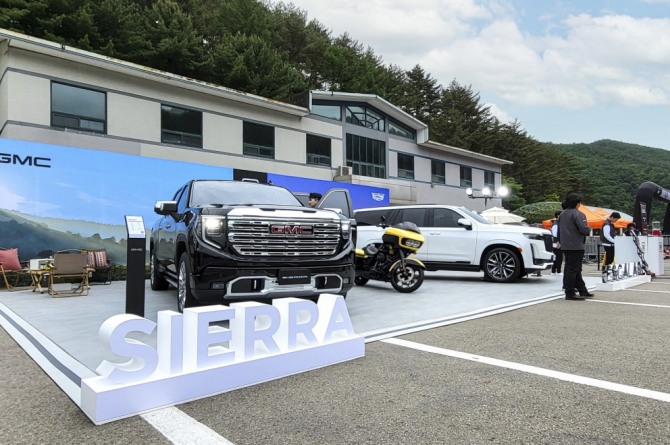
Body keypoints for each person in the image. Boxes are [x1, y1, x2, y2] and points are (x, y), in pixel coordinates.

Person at [557, 193, 593, 300]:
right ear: (578, 203)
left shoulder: (562, 214)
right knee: (574, 269)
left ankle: (582, 290)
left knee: (571, 268)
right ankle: (570, 292)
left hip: (566, 244)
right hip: (576, 244)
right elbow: (583, 229)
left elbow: (559, 230)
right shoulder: (578, 214)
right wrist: (588, 229)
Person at [551, 211, 563, 275]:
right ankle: (557, 271)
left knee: (557, 258)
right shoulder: (556, 224)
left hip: (557, 243)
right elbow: (555, 234)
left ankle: (554, 271)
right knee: (558, 258)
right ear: (558, 216)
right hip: (556, 243)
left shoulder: (558, 223)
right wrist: (558, 241)